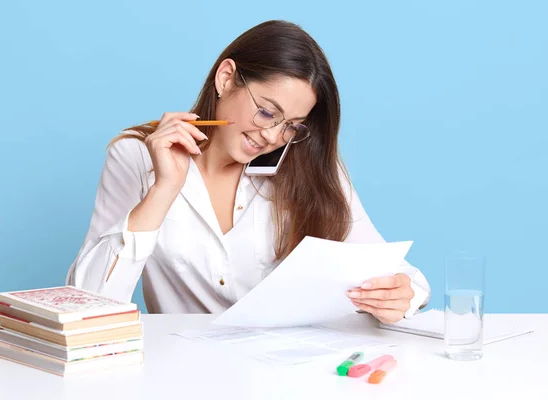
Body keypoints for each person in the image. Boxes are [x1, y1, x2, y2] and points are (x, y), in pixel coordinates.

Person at [66, 20, 430, 324]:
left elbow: (396, 271)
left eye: (292, 125)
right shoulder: (136, 156)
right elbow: (90, 303)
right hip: (185, 371)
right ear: (226, 78)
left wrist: (404, 293)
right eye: (268, 112)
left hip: (293, 368)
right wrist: (164, 189)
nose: (273, 135)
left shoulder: (307, 164)